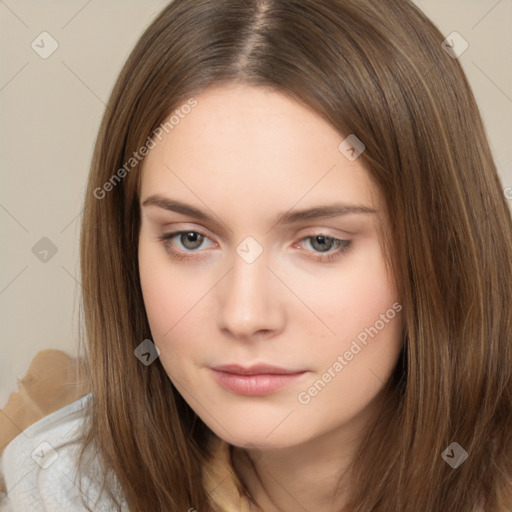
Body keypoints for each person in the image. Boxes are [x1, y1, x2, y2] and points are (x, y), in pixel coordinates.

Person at [1, 0, 511, 511]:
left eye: (321, 242)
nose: (244, 315)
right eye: (190, 238)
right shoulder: (61, 486)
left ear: (444, 245)